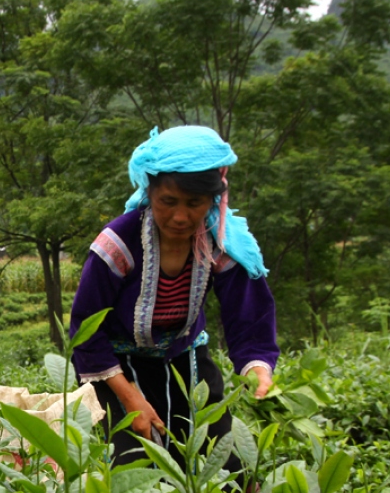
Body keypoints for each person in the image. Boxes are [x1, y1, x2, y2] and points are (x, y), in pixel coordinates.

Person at [69, 125, 278, 470]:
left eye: (195, 204)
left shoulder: (222, 242)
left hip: (186, 356)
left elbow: (248, 314)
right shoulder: (117, 244)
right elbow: (86, 331)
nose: (180, 217)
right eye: (168, 202)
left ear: (214, 199)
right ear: (150, 193)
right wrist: (131, 398)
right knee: (137, 464)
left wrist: (256, 367)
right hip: (115, 367)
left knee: (224, 461)